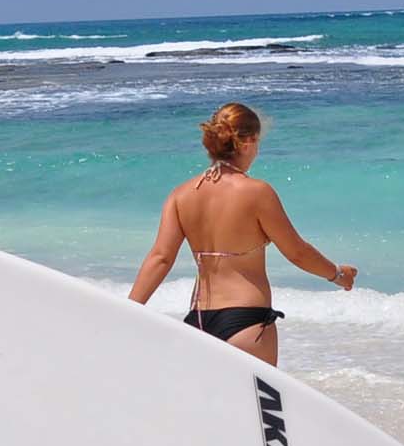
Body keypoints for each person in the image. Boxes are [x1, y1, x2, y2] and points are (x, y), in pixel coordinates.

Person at [128, 100, 357, 365]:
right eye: (258, 141)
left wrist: (128, 310)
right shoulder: (257, 192)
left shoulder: (180, 195)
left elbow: (161, 258)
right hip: (246, 322)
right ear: (246, 142)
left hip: (198, 323)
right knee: (252, 408)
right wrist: (338, 274)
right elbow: (297, 252)